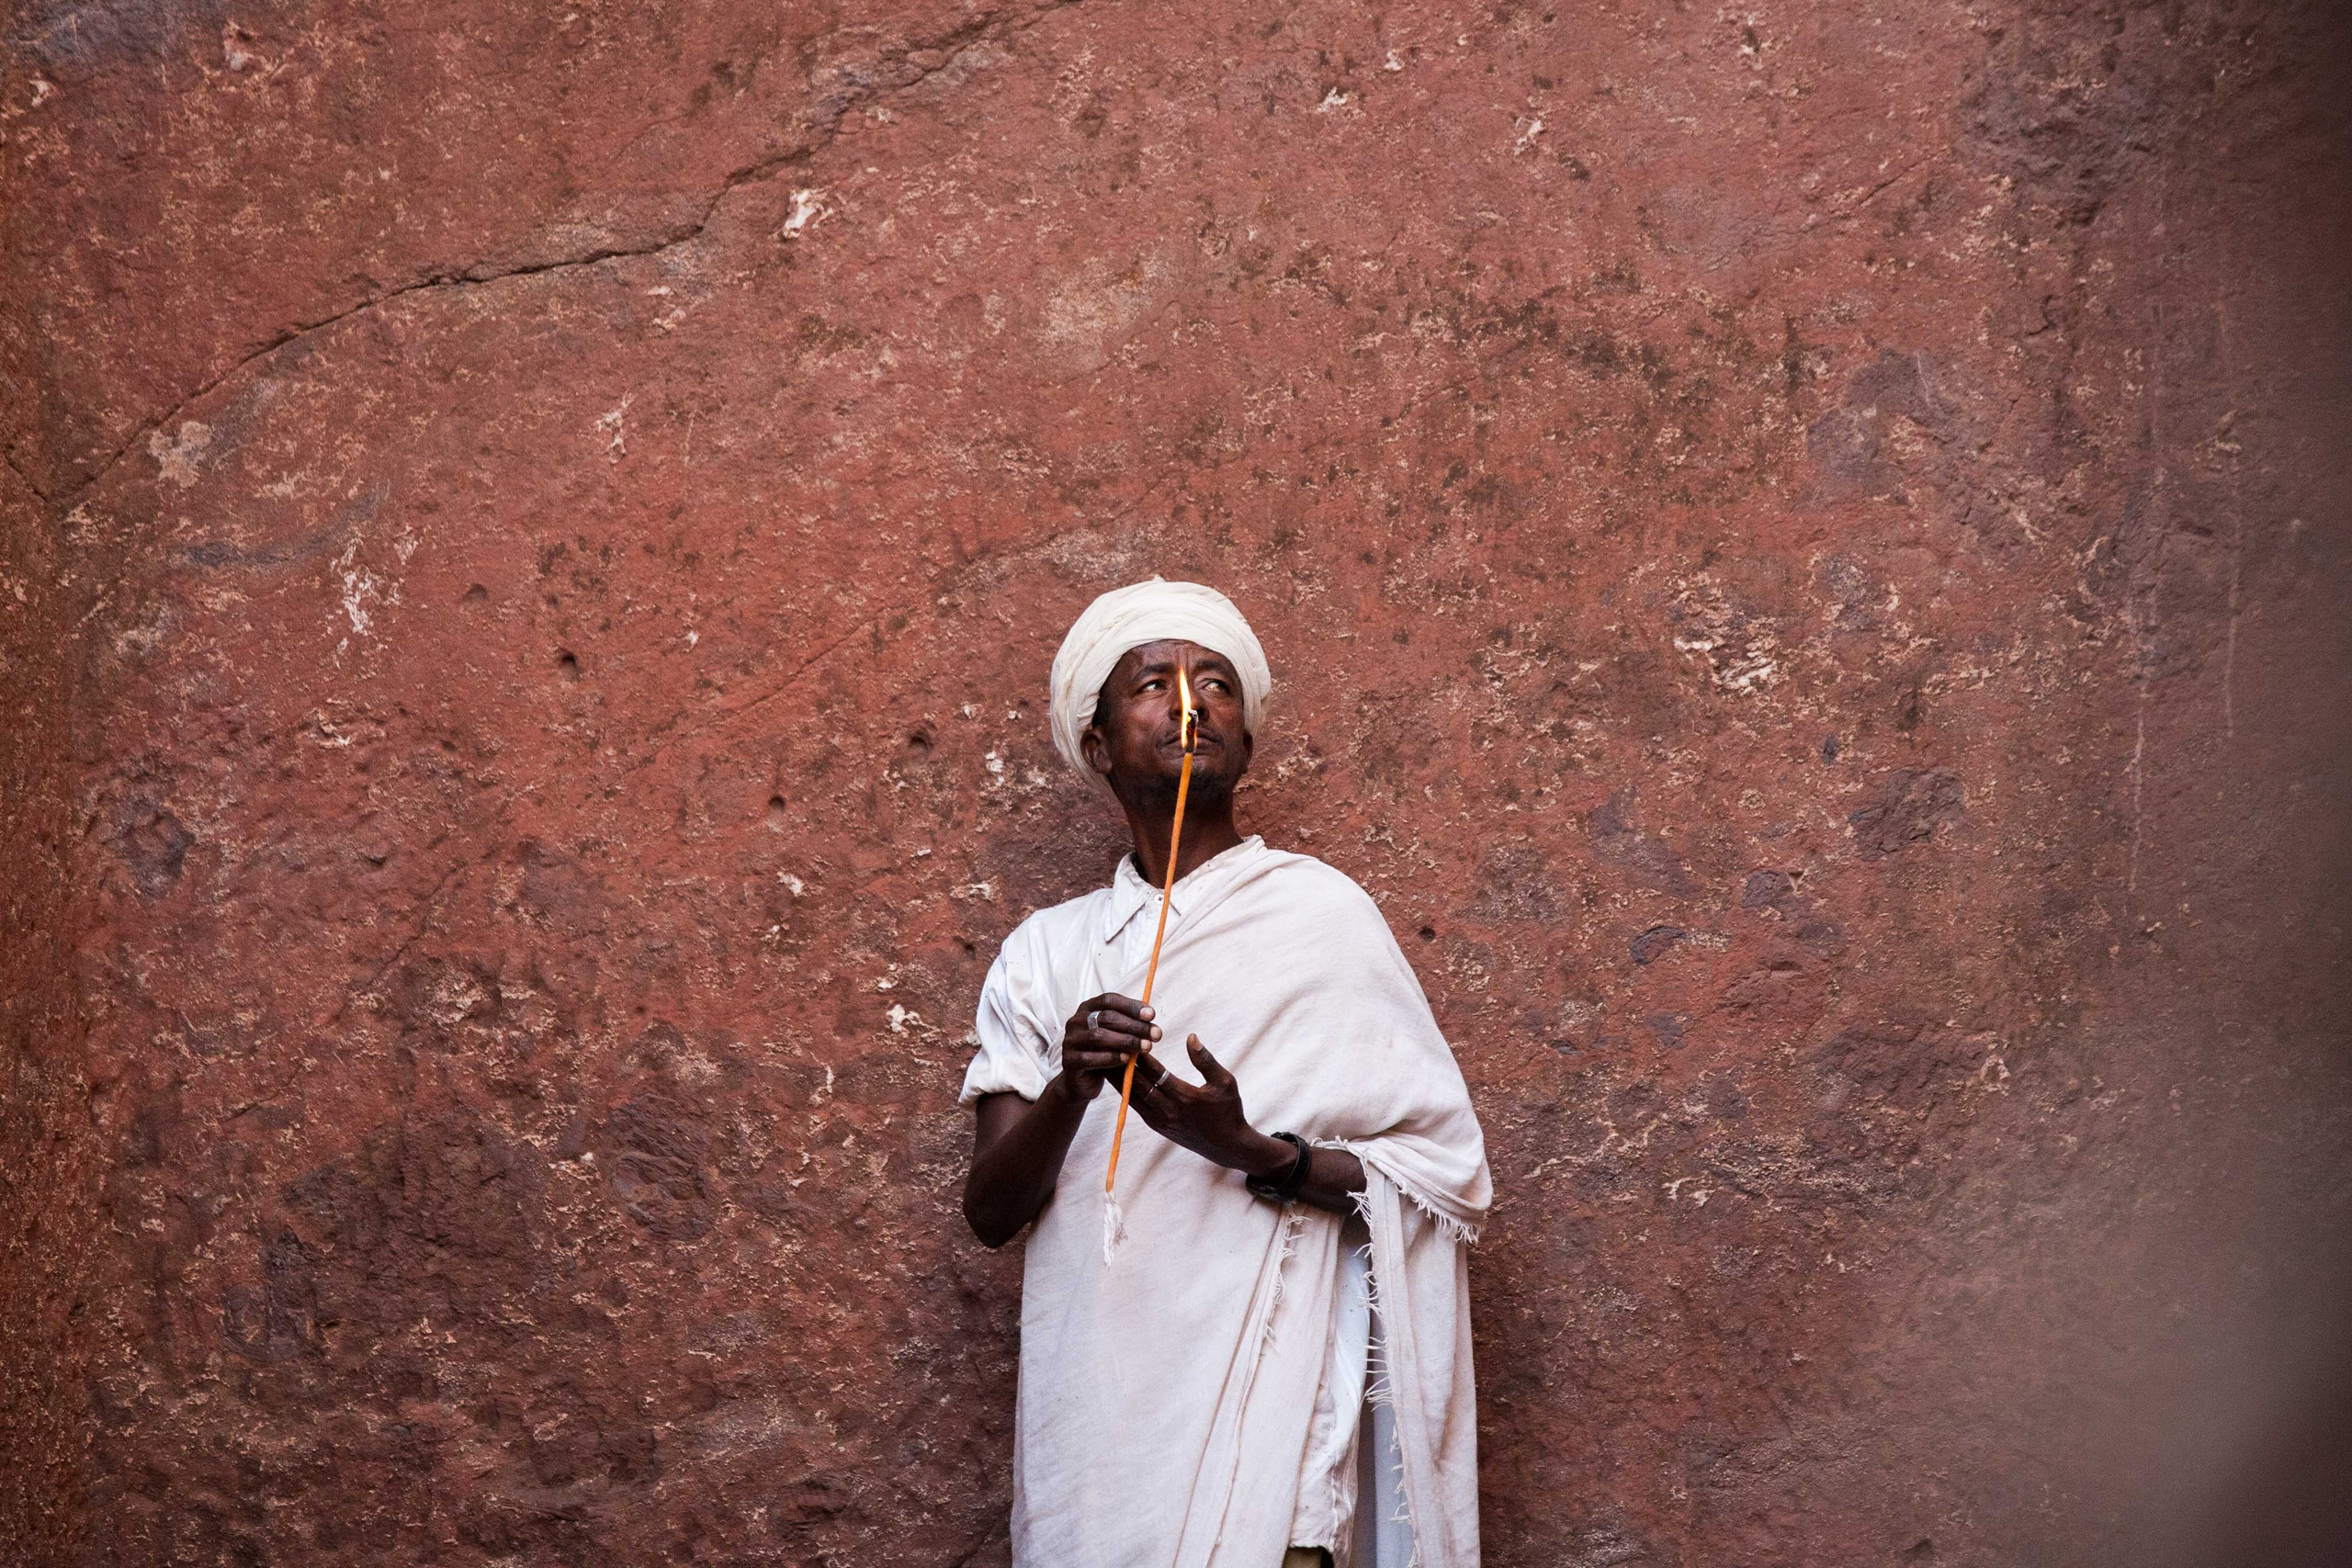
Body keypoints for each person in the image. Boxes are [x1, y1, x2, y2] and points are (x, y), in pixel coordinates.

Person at [959, 578, 1492, 1568]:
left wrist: (1254, 1151)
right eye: (1152, 684)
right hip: (1101, 1436)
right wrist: (1071, 1088)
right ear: (1094, 743)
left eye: (1216, 684)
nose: (1191, 703)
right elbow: (991, 1211)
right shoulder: (1041, 955)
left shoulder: (1321, 919)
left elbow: (1445, 1179)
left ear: (1244, 740)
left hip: (1272, 1436)